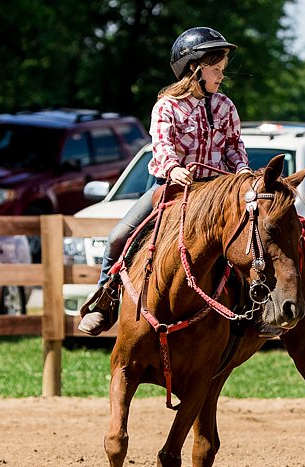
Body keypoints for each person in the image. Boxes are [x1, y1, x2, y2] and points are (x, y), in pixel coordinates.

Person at [77, 26, 252, 335]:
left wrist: (241, 170)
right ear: (195, 69)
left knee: (251, 238)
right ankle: (104, 301)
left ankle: (260, 305)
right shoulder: (167, 106)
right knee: (119, 235)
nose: (221, 76)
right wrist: (172, 168)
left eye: (222, 70)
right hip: (170, 188)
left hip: (214, 193)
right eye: (215, 70)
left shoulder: (225, 106)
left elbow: (234, 147)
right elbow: (162, 146)